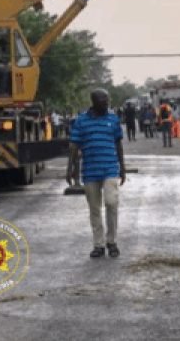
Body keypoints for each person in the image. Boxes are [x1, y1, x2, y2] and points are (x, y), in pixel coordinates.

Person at [67, 89, 127, 259]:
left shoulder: (113, 119)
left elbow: (118, 145)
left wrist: (122, 167)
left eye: (108, 100)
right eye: (103, 101)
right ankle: (99, 244)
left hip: (110, 169)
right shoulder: (81, 121)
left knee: (111, 203)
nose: (106, 103)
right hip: (90, 172)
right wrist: (71, 170)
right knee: (94, 209)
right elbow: (74, 147)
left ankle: (112, 241)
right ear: (94, 101)